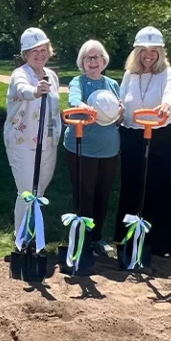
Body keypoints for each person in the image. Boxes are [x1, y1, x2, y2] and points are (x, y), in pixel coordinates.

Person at [114, 26, 171, 257]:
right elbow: (122, 98)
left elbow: (170, 94)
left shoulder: (167, 73)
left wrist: (165, 106)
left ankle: (161, 242)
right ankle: (128, 239)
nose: (148, 55)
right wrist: (118, 109)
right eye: (144, 50)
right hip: (132, 134)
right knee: (132, 185)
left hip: (159, 134)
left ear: (160, 53)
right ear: (137, 52)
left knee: (160, 185)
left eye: (154, 51)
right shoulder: (129, 74)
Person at [63, 40, 122, 256]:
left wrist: (120, 112)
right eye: (88, 58)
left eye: (97, 57)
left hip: (109, 149)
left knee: (103, 193)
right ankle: (82, 237)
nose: (93, 61)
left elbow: (117, 116)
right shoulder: (79, 82)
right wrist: (81, 106)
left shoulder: (112, 84)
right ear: (82, 62)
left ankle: (97, 237)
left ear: (104, 60)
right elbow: (74, 99)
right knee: (85, 193)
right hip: (82, 148)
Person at [4, 28, 62, 236]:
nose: (39, 54)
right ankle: (22, 238)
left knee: (39, 192)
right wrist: (36, 91)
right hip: (22, 141)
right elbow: (23, 90)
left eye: (43, 49)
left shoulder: (52, 76)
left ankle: (34, 233)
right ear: (25, 54)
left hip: (47, 142)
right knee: (27, 191)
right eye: (33, 51)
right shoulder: (19, 74)